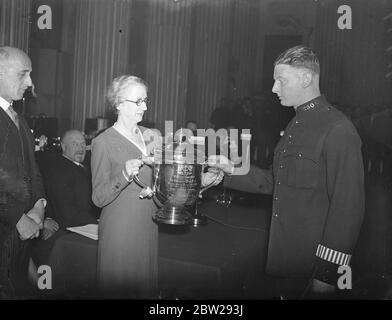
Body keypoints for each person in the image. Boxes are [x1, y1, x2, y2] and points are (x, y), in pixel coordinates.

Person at [211, 45, 365, 299]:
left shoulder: (338, 128)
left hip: (313, 267)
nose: (273, 88)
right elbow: (275, 181)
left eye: (281, 80)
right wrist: (230, 170)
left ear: (306, 78)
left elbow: (348, 209)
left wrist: (327, 274)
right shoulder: (296, 123)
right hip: (286, 261)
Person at [91, 75, 223, 298]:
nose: (145, 106)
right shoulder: (103, 142)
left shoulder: (152, 136)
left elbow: (169, 186)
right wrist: (124, 175)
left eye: (146, 100)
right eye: (138, 101)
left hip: (148, 226)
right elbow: (98, 198)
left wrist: (202, 184)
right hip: (120, 232)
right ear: (119, 104)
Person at [0, 46, 46, 298]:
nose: (30, 82)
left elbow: (33, 169)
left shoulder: (19, 119)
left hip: (22, 235)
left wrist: (39, 204)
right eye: (23, 74)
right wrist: (19, 219)